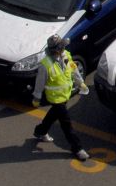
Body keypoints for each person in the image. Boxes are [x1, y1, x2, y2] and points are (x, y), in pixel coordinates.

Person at [30, 34, 90, 162]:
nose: (64, 47)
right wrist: (37, 98)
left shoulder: (66, 56)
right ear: (56, 50)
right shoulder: (45, 65)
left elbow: (74, 70)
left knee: (53, 115)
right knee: (66, 125)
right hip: (56, 99)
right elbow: (40, 83)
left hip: (65, 95)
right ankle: (77, 148)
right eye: (62, 46)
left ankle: (40, 131)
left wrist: (81, 83)